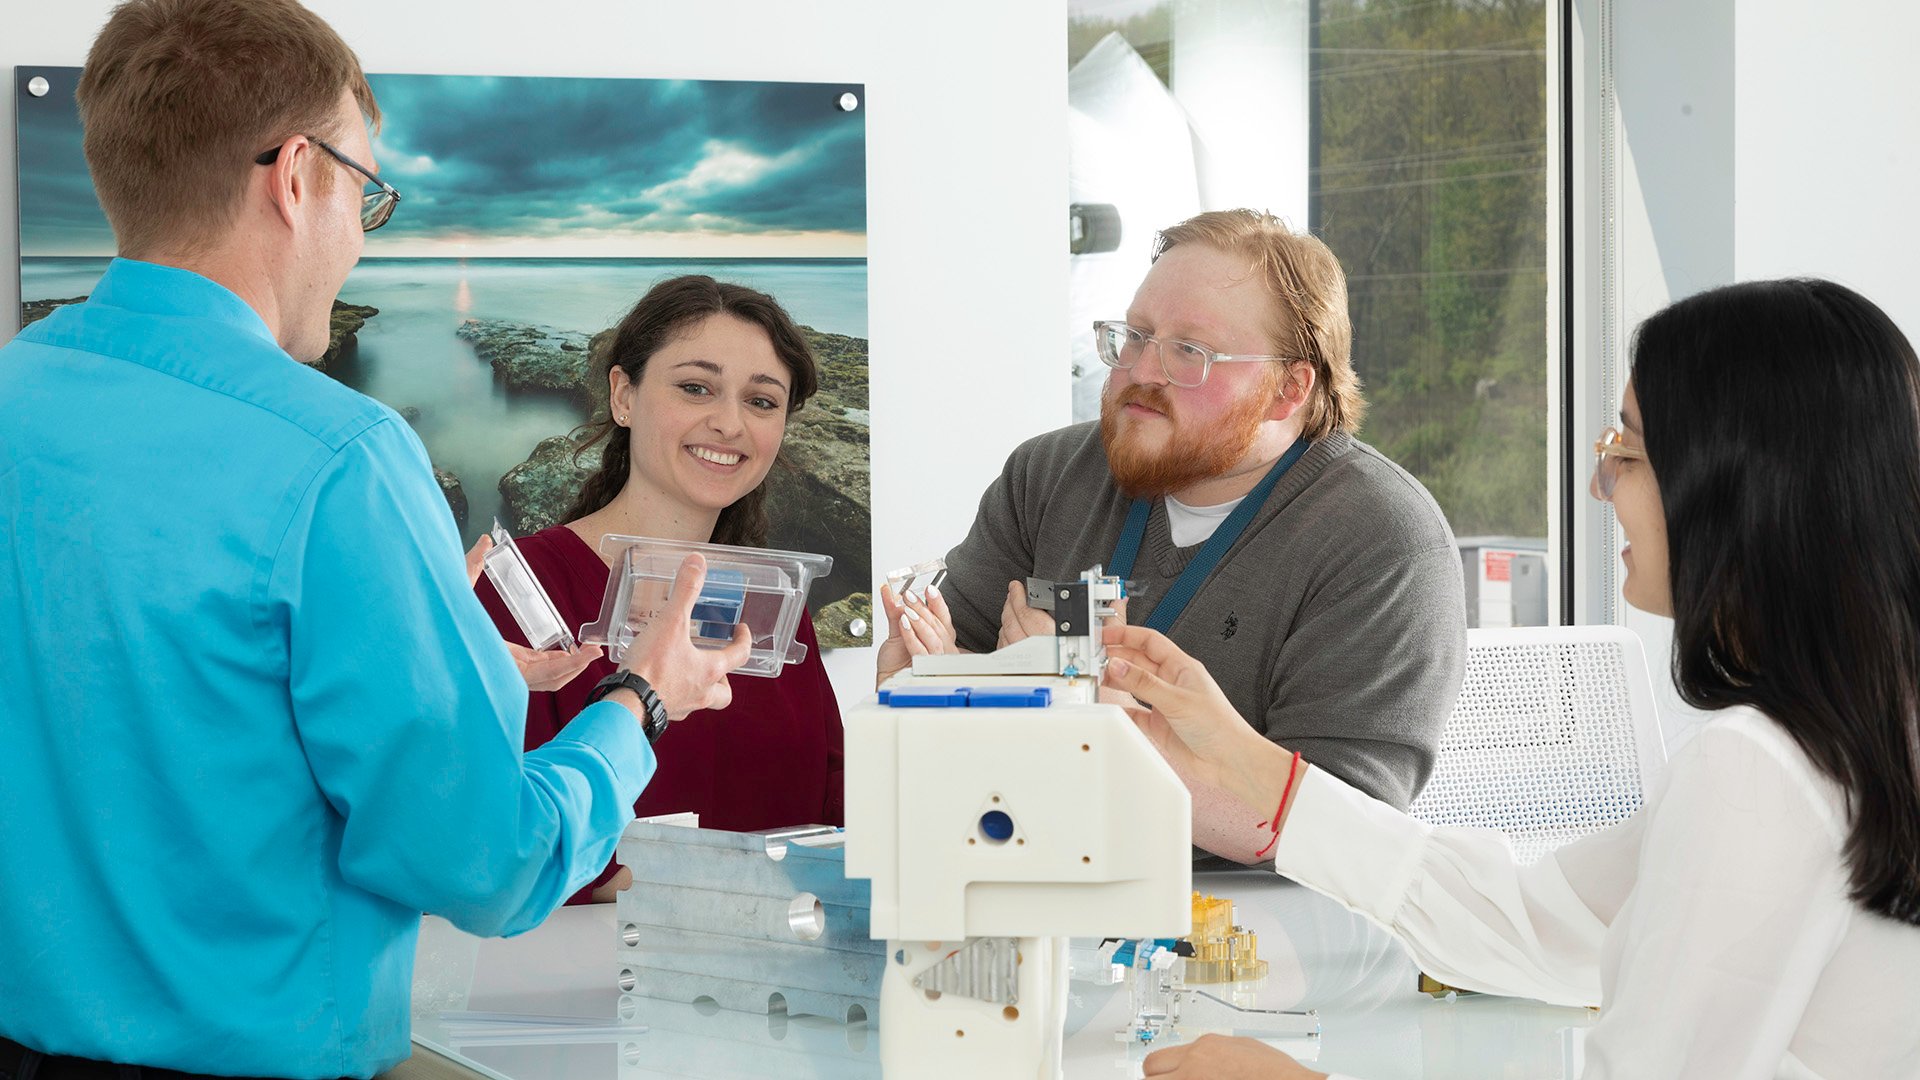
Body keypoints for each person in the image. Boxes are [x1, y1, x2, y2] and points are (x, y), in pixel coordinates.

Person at [0, 2, 741, 1077]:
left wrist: (440, 654)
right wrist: (646, 696)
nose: (360, 231)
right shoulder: (337, 459)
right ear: (297, 178)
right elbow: (489, 864)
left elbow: (137, 694)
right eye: (367, 193)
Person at [1108, 279, 1920, 1079]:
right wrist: (1243, 762)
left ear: (1741, 491)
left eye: (1628, 455)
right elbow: (1538, 925)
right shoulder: (1862, 734)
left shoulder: (1758, 769)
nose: (1601, 487)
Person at [881, 209, 1466, 864]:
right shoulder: (1047, 477)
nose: (1141, 370)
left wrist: (1082, 719)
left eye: (1190, 351)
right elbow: (945, 681)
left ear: (1288, 389)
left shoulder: (1380, 542)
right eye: (1135, 336)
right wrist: (919, 687)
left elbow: (1341, 832)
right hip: (1029, 879)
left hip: (1247, 935)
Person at [476, 275, 845, 903]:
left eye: (761, 401)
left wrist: (905, 714)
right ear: (624, 395)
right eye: (695, 388)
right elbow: (472, 843)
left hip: (777, 988)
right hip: (570, 990)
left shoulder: (776, 605)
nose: (729, 423)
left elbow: (832, 821)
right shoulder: (514, 593)